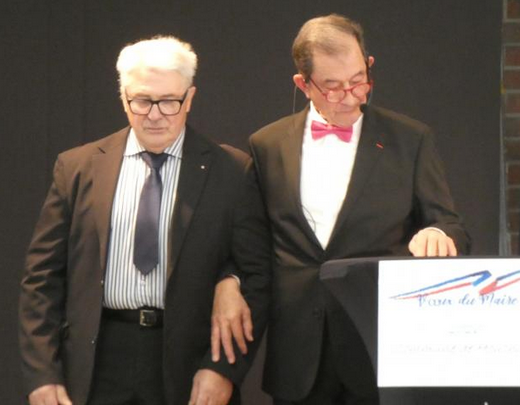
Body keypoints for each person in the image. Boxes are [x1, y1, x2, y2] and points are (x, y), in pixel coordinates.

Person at [211, 14, 470, 405]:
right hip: (298, 357)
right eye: (333, 87)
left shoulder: (410, 140)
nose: (351, 96)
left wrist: (439, 234)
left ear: (369, 65)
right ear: (303, 84)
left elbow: (450, 225)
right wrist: (228, 280)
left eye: (358, 80)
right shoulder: (267, 145)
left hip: (381, 350)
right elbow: (250, 244)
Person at [19, 36, 271, 405]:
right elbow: (42, 279)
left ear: (189, 98)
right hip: (95, 362)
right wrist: (42, 374)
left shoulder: (231, 171)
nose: (155, 114)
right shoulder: (77, 168)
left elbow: (257, 276)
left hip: (189, 363)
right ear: (124, 99)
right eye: (142, 100)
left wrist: (223, 370)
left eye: (169, 101)